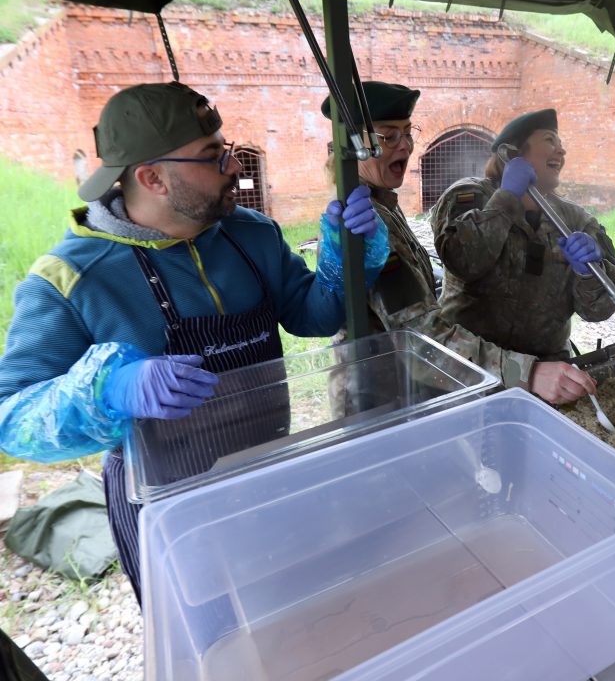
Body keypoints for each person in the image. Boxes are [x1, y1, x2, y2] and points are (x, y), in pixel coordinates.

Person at [0, 81, 385, 603]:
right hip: (166, 506)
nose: (234, 166)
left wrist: (346, 258)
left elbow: (314, 316)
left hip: (265, 470)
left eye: (226, 150)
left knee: (286, 606)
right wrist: (105, 389)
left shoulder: (251, 235)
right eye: (212, 156)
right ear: (152, 177)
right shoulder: (70, 279)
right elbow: (11, 418)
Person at [321, 84, 596, 404]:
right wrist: (527, 374)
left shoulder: (383, 207)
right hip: (375, 405)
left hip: (405, 393)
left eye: (408, 133)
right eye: (389, 136)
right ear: (356, 147)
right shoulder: (362, 222)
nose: (406, 146)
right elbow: (420, 339)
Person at [431, 108, 615, 389]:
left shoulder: (575, 220)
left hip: (548, 377)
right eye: (550, 141)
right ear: (512, 153)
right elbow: (463, 260)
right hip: (470, 369)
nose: (561, 153)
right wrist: (508, 197)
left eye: (562, 147)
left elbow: (601, 310)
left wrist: (591, 275)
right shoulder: (469, 196)